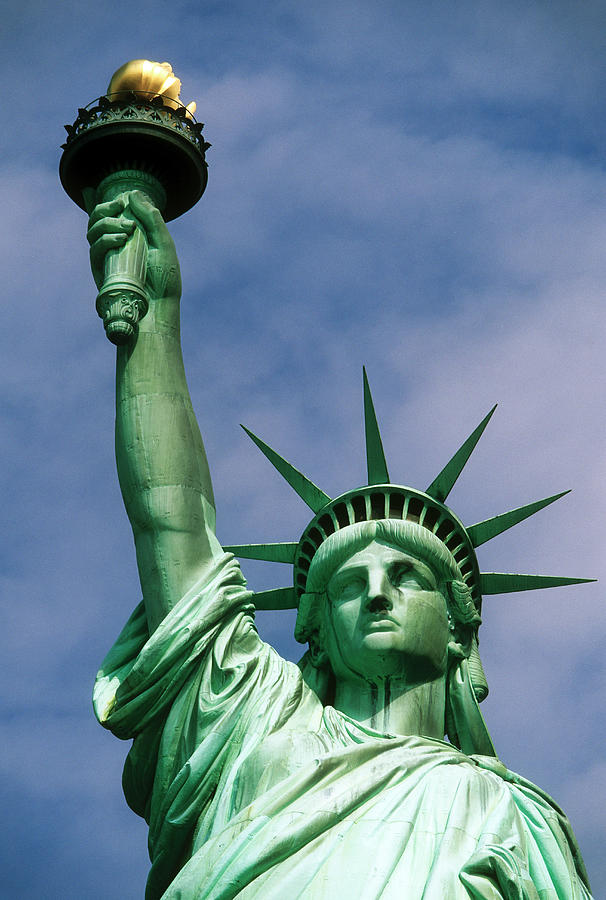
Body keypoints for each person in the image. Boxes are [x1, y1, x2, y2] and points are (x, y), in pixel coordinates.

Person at [88, 192, 593, 899]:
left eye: (407, 576)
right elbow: (170, 521)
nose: (377, 591)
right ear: (315, 631)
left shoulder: (513, 818)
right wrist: (159, 318)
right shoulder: (252, 729)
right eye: (350, 584)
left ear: (460, 631)